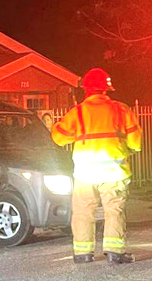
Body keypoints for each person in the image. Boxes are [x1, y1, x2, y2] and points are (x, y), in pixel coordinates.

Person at [51, 68, 142, 264]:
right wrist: (128, 149)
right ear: (106, 90)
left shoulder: (78, 112)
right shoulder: (121, 109)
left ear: (86, 90)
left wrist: (56, 126)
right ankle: (114, 252)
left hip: (85, 173)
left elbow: (58, 137)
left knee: (83, 212)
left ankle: (83, 253)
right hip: (115, 172)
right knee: (114, 211)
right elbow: (136, 142)